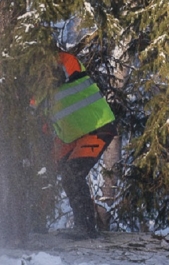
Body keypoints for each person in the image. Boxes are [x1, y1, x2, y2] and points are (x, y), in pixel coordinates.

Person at [47, 51, 117, 239]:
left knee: (73, 173)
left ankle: (86, 227)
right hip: (70, 136)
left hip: (97, 127)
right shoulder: (35, 86)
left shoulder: (68, 64)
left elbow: (68, 65)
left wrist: (47, 61)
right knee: (47, 169)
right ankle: (31, 222)